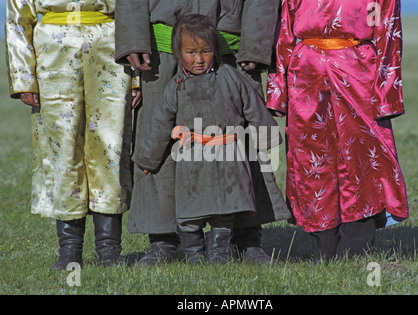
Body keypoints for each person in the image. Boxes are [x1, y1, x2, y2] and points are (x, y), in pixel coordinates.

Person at [115, 0, 289, 265]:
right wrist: (132, 38)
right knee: (160, 140)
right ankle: (163, 239)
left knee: (244, 147)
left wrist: (256, 42)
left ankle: (248, 237)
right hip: (161, 54)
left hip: (232, 52)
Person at [266, 0, 409, 260]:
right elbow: (283, 30)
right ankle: (324, 245)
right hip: (305, 73)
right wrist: (277, 89)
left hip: (358, 70)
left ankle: (356, 242)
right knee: (311, 159)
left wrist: (387, 93)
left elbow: (388, 32)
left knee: (362, 158)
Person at [5, 0, 141, 270]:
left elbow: (133, 9)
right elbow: (18, 17)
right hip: (53, 54)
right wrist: (23, 78)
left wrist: (136, 75)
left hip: (110, 48)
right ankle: (69, 250)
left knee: (110, 146)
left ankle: (109, 249)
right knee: (63, 149)